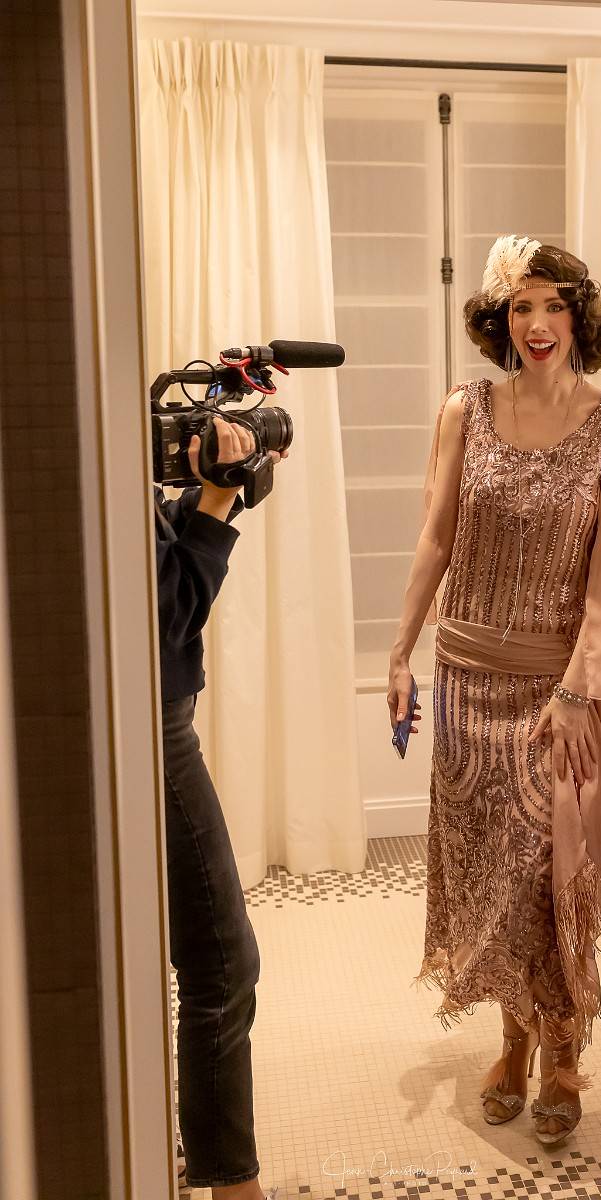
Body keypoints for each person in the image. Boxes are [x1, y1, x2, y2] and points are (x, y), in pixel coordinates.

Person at [387, 237, 601, 1147]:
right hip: (466, 677)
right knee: (489, 869)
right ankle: (512, 1039)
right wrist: (399, 651)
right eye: (520, 307)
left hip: (557, 686)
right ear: (501, 319)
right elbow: (436, 537)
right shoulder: (465, 409)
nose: (536, 324)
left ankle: (563, 1047)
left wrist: (577, 688)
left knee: (549, 871)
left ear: (580, 316)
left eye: (553, 305)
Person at [156, 417, 287, 1199]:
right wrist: (212, 500)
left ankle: (194, 1147)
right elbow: (168, 616)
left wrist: (219, 491)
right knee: (223, 964)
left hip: (149, 725)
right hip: (152, 734)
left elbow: (157, 558)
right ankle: (234, 1187)